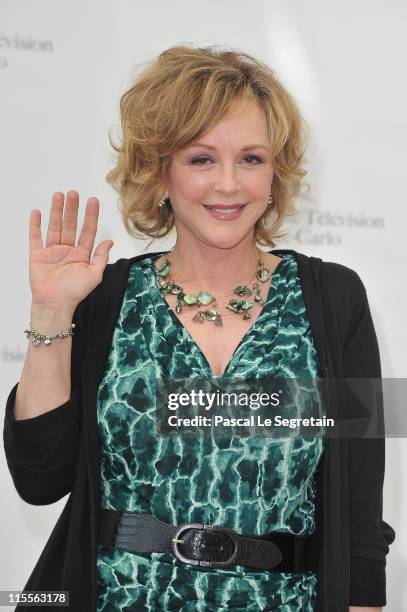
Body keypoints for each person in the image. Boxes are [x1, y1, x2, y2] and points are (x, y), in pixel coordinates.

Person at [3, 45, 395, 612]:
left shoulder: (333, 299)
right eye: (201, 159)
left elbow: (359, 503)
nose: (229, 184)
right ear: (159, 170)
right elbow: (39, 480)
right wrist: (50, 315)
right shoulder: (105, 297)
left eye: (253, 159)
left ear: (277, 171)